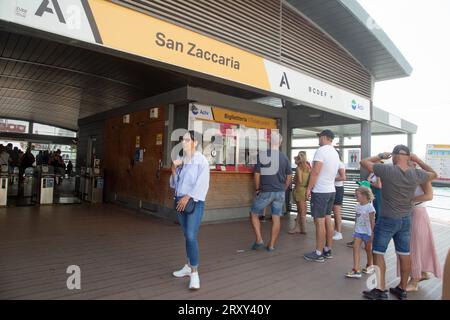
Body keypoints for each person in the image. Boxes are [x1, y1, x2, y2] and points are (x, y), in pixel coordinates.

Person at [360, 145, 437, 300]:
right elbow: (434, 174)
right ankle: (402, 288)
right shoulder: (416, 174)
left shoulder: (388, 170)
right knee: (404, 253)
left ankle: (380, 290)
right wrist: (416, 159)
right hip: (406, 219)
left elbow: (363, 162)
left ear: (395, 156)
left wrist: (381, 155)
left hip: (388, 219)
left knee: (378, 252)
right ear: (408, 157)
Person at [170, 130, 210, 290]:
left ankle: (194, 273)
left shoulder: (201, 160)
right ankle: (188, 266)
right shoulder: (182, 160)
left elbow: (203, 184)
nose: (184, 142)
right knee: (186, 235)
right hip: (180, 202)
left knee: (191, 235)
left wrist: (188, 196)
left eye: (187, 140)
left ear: (196, 142)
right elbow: (175, 183)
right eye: (182, 140)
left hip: (194, 202)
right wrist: (173, 170)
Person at [396, 174, 442, 291]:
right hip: (409, 212)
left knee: (414, 246)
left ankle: (415, 280)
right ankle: (421, 272)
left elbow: (429, 195)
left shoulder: (422, 176)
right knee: (412, 245)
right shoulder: (407, 176)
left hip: (417, 213)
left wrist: (409, 199)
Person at [250, 132, 292, 252]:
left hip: (266, 191)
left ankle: (259, 240)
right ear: (280, 143)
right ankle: (271, 245)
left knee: (254, 213)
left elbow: (257, 174)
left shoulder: (263, 155)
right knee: (276, 217)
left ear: (269, 141)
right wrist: (284, 188)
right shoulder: (284, 157)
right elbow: (289, 176)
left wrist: (257, 188)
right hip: (280, 192)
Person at [304, 129, 339, 262]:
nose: (319, 139)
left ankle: (318, 253)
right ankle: (327, 249)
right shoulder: (335, 152)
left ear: (324, 137)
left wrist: (308, 188)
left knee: (319, 222)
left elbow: (315, 172)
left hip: (320, 191)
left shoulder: (321, 151)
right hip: (331, 190)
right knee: (328, 219)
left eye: (319, 137)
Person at [345, 186, 376, 278]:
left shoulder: (370, 207)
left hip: (367, 232)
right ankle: (356, 269)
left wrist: (372, 233)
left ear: (364, 196)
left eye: (357, 195)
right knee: (355, 248)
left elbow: (372, 221)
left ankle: (370, 265)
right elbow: (356, 218)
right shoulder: (357, 206)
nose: (355, 197)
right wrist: (355, 229)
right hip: (358, 231)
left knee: (368, 249)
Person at [289, 151, 310, 234]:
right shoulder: (308, 167)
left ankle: (302, 229)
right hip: (305, 189)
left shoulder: (299, 168)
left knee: (301, 210)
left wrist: (295, 185)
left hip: (299, 190)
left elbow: (300, 181)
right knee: (302, 210)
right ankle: (298, 228)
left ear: (299, 159)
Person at [332, 150, 346, 241]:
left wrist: (330, 178)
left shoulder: (339, 163)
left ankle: (339, 232)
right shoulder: (335, 163)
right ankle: (336, 231)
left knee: (337, 211)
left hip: (338, 189)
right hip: (333, 189)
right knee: (334, 211)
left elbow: (343, 177)